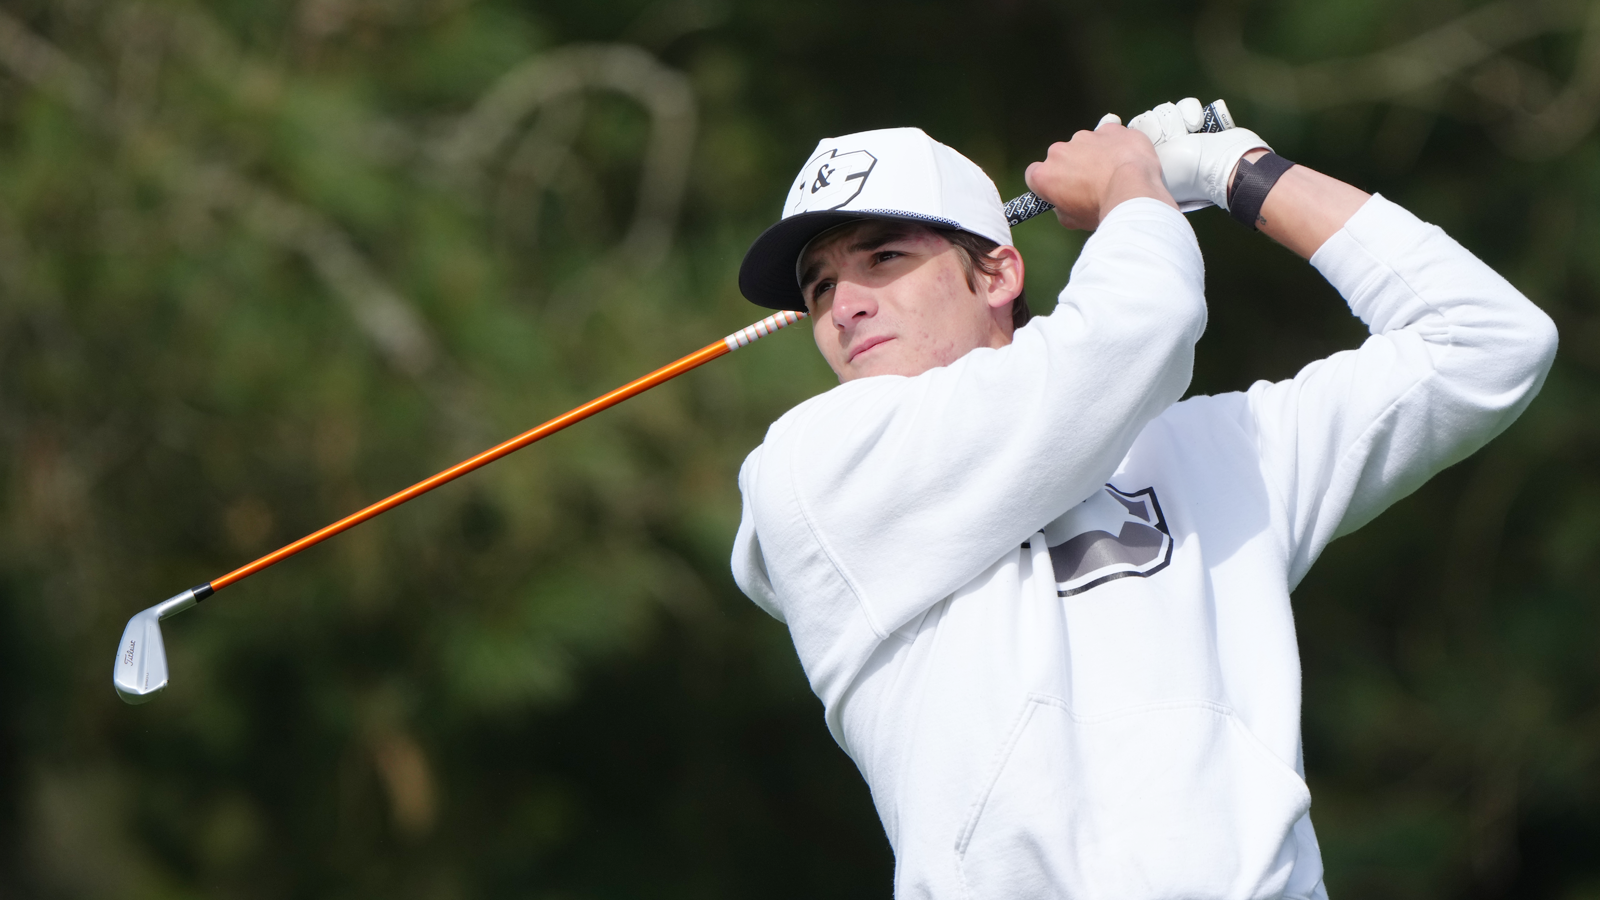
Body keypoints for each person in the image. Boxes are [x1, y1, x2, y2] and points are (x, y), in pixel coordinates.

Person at [729, 101, 1557, 899]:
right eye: (818, 287)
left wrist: (1239, 172)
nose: (844, 306)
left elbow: (1488, 344)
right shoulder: (809, 471)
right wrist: (1132, 183)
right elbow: (1141, 324)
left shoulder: (1210, 453)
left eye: (882, 259)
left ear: (998, 272)